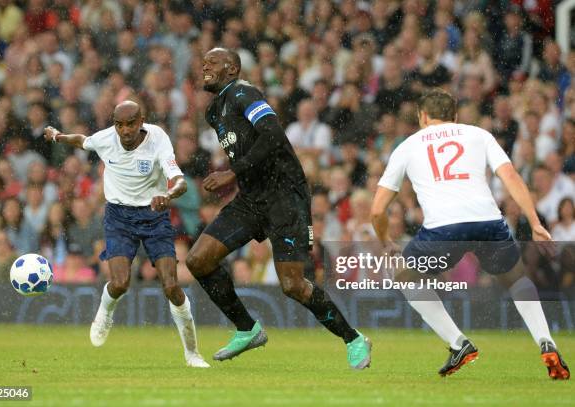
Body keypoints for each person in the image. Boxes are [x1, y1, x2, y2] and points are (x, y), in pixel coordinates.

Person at [186, 48, 370, 369]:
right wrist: (235, 175)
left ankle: (353, 339)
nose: (204, 65)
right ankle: (247, 329)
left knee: (293, 286)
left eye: (212, 62)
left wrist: (232, 172)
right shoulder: (214, 111)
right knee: (198, 260)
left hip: (285, 197)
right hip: (251, 198)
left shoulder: (244, 92)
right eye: (203, 61)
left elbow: (272, 134)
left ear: (231, 70)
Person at [371, 89, 569, 380]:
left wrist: (385, 241)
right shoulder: (479, 134)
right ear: (454, 116)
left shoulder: (407, 146)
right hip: (487, 221)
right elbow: (511, 176)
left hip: (443, 229)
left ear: (423, 117)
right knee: (516, 279)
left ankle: (458, 343)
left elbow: (377, 211)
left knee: (403, 274)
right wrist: (535, 221)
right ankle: (545, 341)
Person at [43, 100, 209, 368]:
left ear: (141, 121)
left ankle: (192, 353)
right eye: (119, 124)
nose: (125, 130)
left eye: (130, 124)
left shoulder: (158, 139)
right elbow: (83, 141)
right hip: (119, 216)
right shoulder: (106, 138)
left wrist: (167, 195)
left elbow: (178, 179)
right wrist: (58, 136)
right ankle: (104, 313)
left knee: (171, 287)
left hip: (154, 215)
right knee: (120, 283)